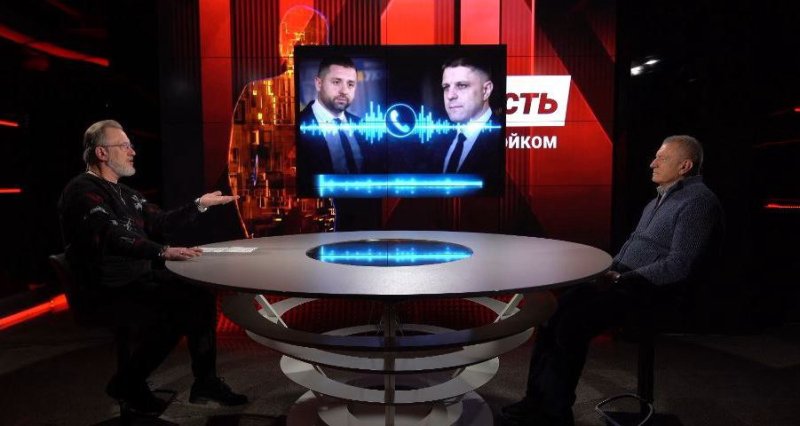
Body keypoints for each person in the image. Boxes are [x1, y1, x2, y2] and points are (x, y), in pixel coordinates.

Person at [501, 135, 724, 425]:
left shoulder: (698, 202)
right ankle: (535, 401)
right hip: (623, 283)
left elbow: (680, 265)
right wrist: (607, 273)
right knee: (551, 313)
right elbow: (634, 248)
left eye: (662, 158)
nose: (653, 163)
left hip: (650, 292)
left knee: (571, 324)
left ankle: (554, 412)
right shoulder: (658, 200)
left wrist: (622, 279)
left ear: (685, 166)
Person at [58, 120, 248, 415]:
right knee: (181, 308)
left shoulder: (127, 193)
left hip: (136, 279)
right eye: (124, 146)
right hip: (107, 288)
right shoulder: (81, 190)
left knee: (198, 297)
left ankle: (204, 383)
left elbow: (160, 222)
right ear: (102, 153)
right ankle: (129, 383)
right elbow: (111, 234)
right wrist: (161, 251)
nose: (132, 151)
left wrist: (199, 204)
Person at [296, 55, 373, 182]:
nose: (344, 91)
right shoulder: (299, 124)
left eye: (350, 84)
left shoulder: (362, 126)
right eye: (336, 82)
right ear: (318, 84)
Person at [432, 56, 503, 189]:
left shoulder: (504, 140)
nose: (450, 95)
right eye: (446, 87)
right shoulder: (437, 142)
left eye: (462, 85)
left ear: (486, 90)